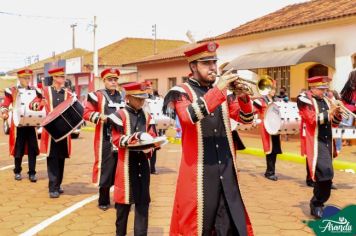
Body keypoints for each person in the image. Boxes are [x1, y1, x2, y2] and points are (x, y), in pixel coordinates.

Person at [163, 42, 254, 235]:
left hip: (226, 169)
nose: (213, 67)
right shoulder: (180, 92)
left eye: (214, 62)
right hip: (199, 172)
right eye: (206, 63)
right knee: (200, 224)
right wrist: (219, 90)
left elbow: (246, 118)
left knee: (230, 223)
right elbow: (189, 116)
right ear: (193, 66)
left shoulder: (222, 92)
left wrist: (244, 98)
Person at [110, 82, 157, 236]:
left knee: (143, 205)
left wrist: (154, 143)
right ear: (128, 97)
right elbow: (116, 140)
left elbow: (153, 134)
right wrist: (136, 137)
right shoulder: (119, 115)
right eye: (138, 98)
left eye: (143, 99)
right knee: (122, 209)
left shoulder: (147, 116)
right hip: (125, 167)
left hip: (143, 165)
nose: (142, 102)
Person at [297, 76, 342, 219]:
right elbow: (311, 120)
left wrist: (338, 113)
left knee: (327, 176)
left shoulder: (327, 101)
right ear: (313, 88)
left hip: (328, 142)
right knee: (324, 172)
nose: (324, 91)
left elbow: (333, 123)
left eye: (325, 89)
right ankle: (317, 204)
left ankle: (318, 202)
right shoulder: (304, 100)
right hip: (316, 142)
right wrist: (330, 111)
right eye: (321, 89)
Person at [30, 67, 74, 198]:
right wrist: (39, 104)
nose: (63, 79)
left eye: (63, 76)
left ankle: (58, 185)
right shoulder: (45, 91)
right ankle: (52, 187)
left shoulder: (68, 93)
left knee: (61, 158)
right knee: (53, 158)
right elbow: (32, 105)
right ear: (54, 78)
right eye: (60, 76)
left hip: (64, 132)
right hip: (51, 132)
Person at [83, 68, 122, 211]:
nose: (113, 82)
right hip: (105, 139)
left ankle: (120, 199)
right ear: (104, 80)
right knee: (106, 169)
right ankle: (103, 199)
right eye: (110, 79)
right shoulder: (97, 96)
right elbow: (86, 113)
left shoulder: (124, 96)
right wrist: (100, 117)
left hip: (121, 138)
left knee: (120, 170)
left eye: (115, 79)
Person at [0, 69, 39, 182]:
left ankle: (32, 172)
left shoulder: (35, 90)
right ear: (19, 78)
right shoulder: (12, 90)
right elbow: (5, 104)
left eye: (29, 78)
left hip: (31, 124)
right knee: (19, 148)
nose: (28, 80)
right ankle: (17, 171)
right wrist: (4, 112)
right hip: (18, 125)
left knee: (33, 148)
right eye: (25, 78)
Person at [253, 77, 282, 181]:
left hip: (275, 128)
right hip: (266, 128)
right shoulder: (260, 101)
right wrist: (256, 120)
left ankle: (270, 171)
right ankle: (269, 172)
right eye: (272, 89)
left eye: (274, 89)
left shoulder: (276, 101)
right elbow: (254, 112)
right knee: (270, 150)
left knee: (274, 150)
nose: (274, 91)